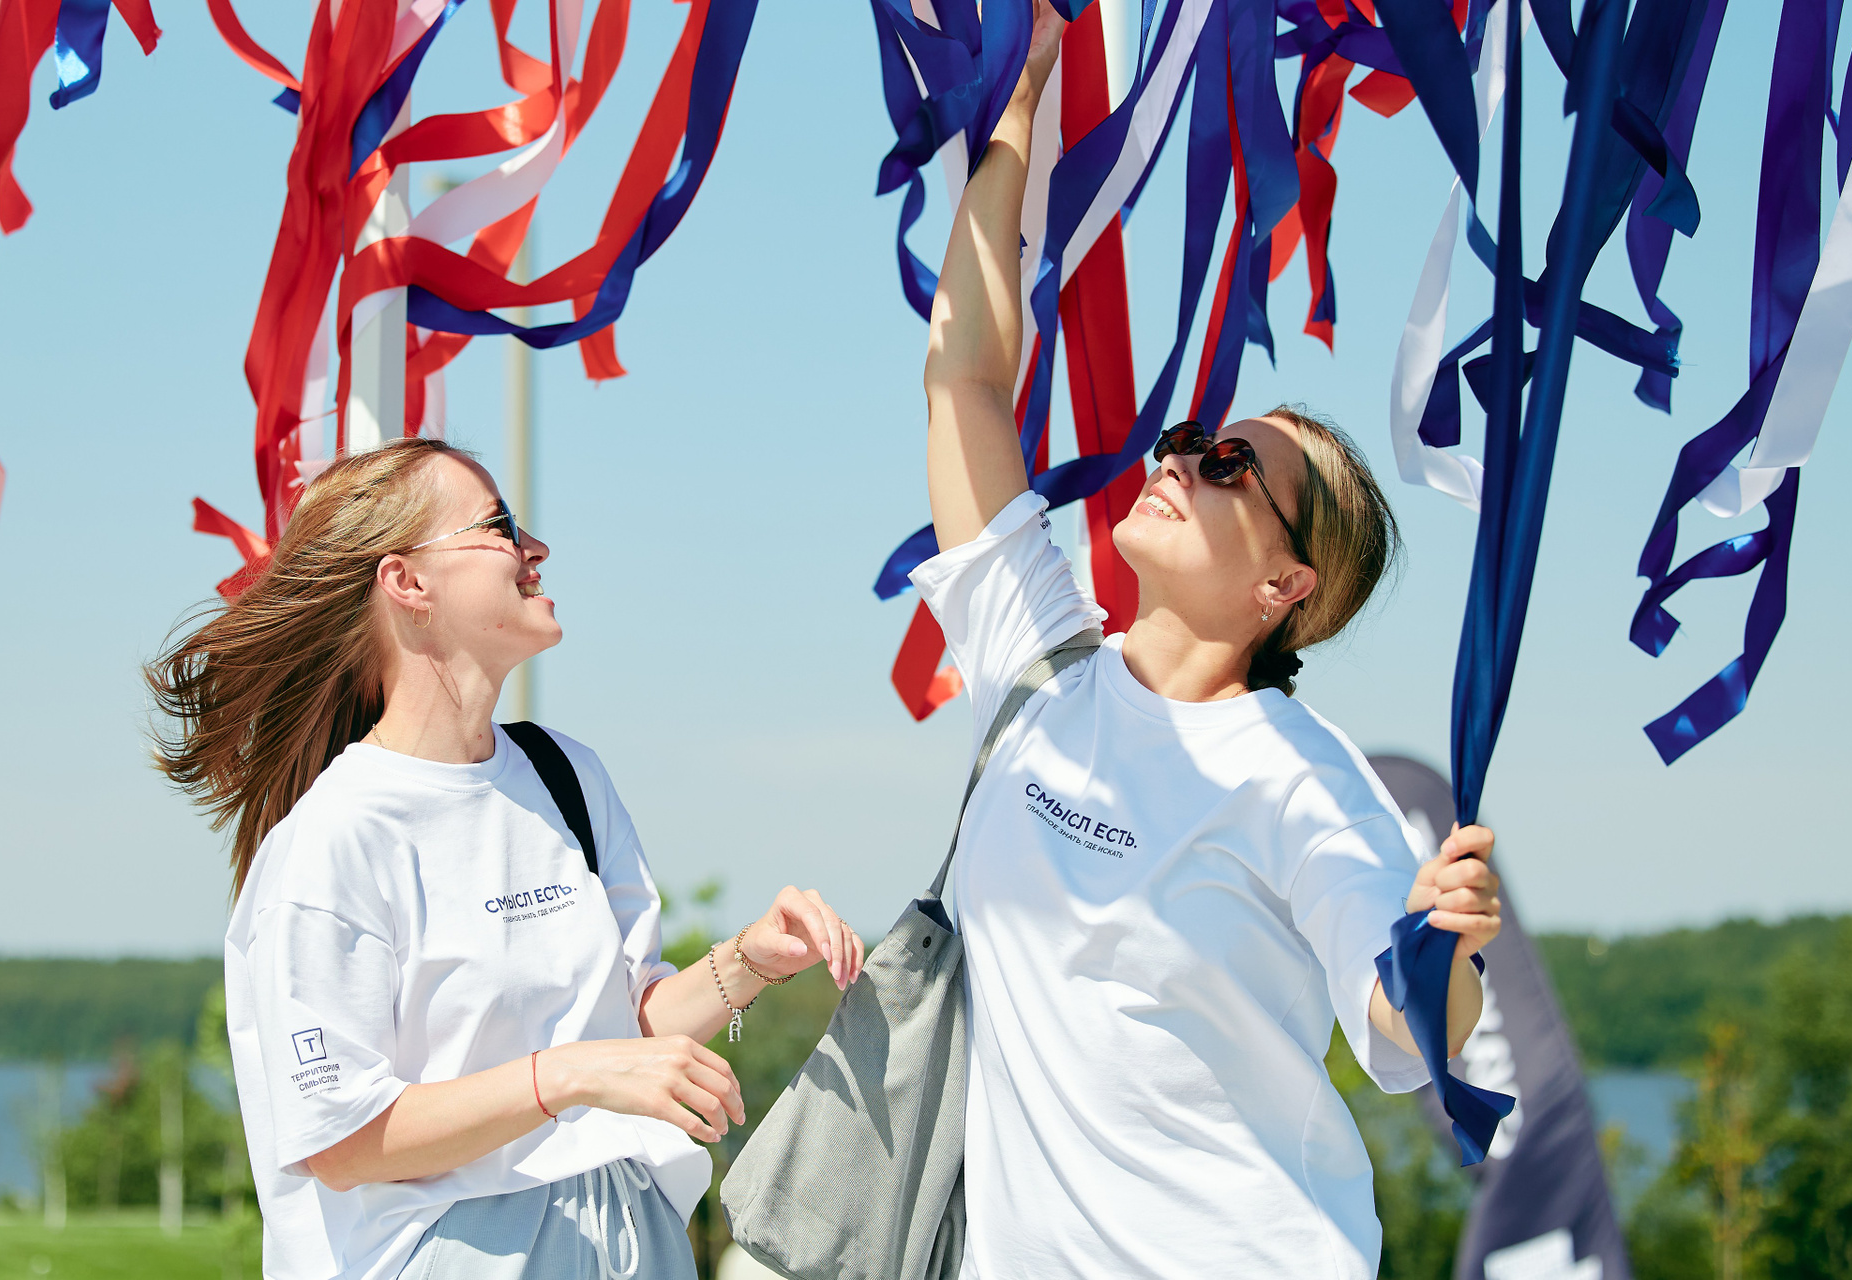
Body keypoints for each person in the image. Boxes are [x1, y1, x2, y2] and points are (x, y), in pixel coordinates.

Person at [910, 7, 1504, 1277]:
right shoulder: (1041, 668)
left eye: (1230, 464)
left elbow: (1409, 1022)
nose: (1178, 459)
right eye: (1188, 441)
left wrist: (1446, 939)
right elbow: (964, 379)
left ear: (1285, 583)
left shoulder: (1302, 776)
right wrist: (1018, 105)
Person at [148, 438, 865, 1280]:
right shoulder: (334, 838)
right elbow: (342, 1141)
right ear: (407, 583)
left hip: (631, 1232)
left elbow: (620, 1036)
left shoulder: (568, 777)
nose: (537, 549)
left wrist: (747, 961)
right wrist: (566, 1077)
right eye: (500, 526)